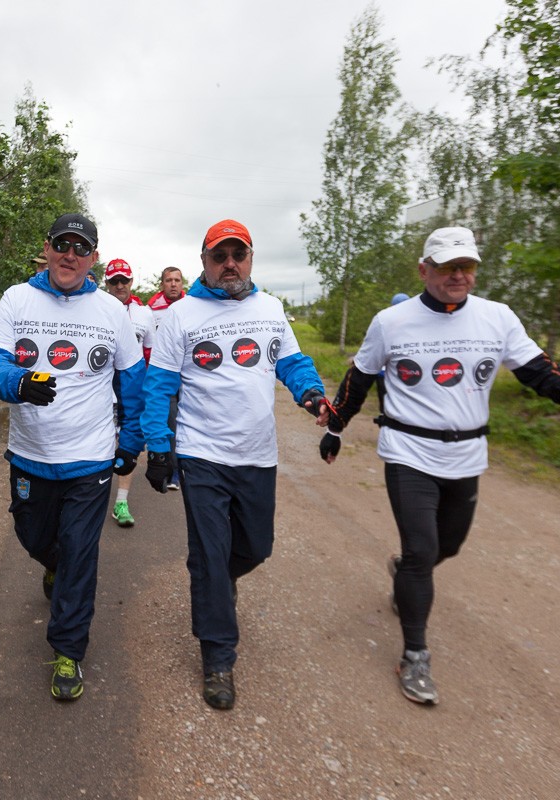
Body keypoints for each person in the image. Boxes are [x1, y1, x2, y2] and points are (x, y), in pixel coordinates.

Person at [320, 225, 560, 706]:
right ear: (424, 270)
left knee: (447, 547)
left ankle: (406, 574)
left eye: (467, 266)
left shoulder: (497, 318)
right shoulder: (391, 321)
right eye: (446, 266)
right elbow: (359, 378)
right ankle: (416, 655)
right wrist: (335, 428)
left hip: (466, 455)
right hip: (408, 452)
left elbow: (539, 371)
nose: (458, 275)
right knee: (421, 551)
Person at [142, 219, 329, 711]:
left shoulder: (271, 308)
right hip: (202, 454)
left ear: (250, 258)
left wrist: (310, 394)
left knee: (254, 548)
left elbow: (290, 362)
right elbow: (158, 386)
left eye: (238, 255)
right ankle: (218, 656)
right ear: (204, 261)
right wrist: (159, 448)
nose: (230, 265)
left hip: (257, 454)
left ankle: (216, 583)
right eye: (219, 256)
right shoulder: (180, 316)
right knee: (209, 555)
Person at [0, 213, 146, 701]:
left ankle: (69, 649)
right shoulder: (17, 299)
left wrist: (130, 441)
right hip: (30, 456)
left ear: (93, 257)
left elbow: (132, 382)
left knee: (79, 553)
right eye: (62, 245)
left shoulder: (112, 312)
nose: (70, 255)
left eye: (81, 248)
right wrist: (20, 382)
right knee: (34, 538)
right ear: (47, 248)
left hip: (90, 460)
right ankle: (50, 565)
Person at [102, 258, 155, 528]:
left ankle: (121, 501)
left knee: (129, 445)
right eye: (114, 281)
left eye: (124, 280)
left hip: (130, 393)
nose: (120, 285)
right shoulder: (97, 308)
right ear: (107, 283)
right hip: (99, 393)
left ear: (131, 281)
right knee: (99, 447)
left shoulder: (144, 314)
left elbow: (150, 353)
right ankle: (93, 497)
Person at [147, 266, 186, 489]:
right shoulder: (151, 309)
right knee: (171, 420)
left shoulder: (191, 307)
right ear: (162, 284)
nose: (173, 284)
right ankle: (173, 473)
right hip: (165, 376)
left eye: (177, 280)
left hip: (189, 376)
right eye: (169, 280)